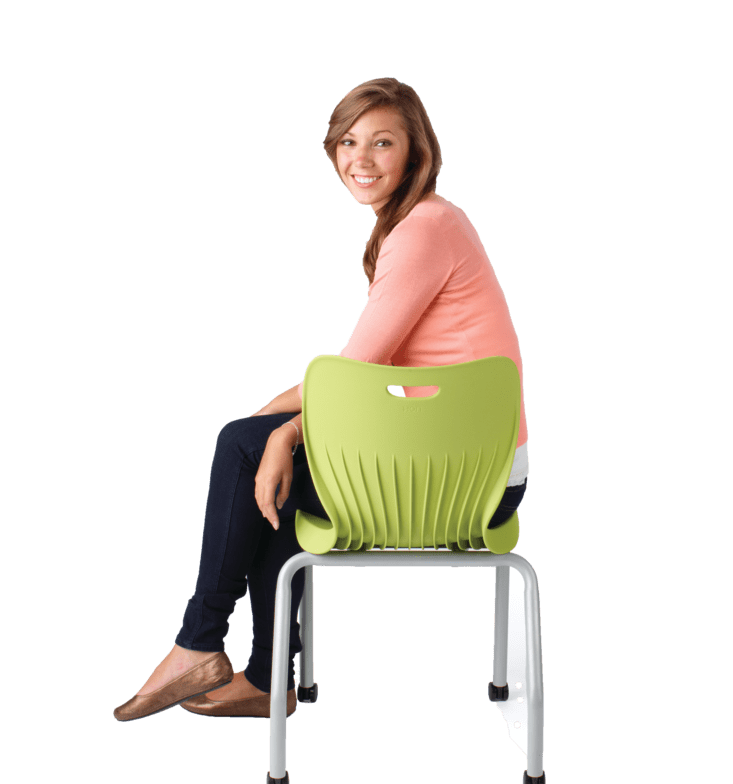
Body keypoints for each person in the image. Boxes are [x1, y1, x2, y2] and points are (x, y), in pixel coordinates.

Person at [113, 77, 531, 722]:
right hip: (468, 467)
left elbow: (352, 374)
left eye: (382, 142)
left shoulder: (423, 229)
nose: (360, 159)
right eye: (347, 141)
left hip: (460, 480)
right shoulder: (431, 223)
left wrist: (277, 433)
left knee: (247, 448)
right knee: (255, 450)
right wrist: (269, 428)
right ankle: (264, 675)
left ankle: (200, 643)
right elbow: (360, 375)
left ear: (416, 152)